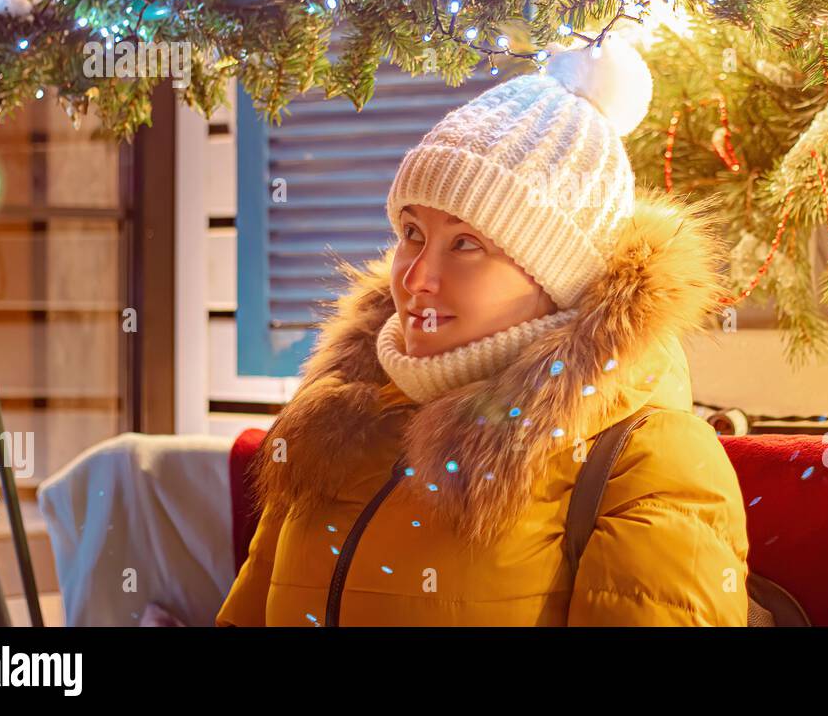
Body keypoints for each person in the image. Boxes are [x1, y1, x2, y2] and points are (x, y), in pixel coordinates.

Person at [215, 32, 751, 626]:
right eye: (412, 233)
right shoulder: (335, 422)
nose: (416, 278)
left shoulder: (647, 460)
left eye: (466, 243)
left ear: (558, 279)